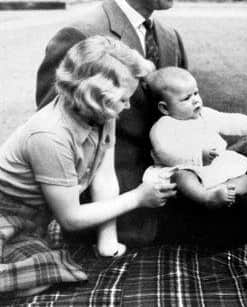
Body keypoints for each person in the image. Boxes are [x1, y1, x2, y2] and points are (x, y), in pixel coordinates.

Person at [35, 0, 188, 245]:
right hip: (109, 203)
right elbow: (54, 133)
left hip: (172, 181)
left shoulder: (170, 39)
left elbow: (186, 117)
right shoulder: (81, 35)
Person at [0, 36, 176, 297]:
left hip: (34, 222)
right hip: (7, 214)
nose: (128, 106)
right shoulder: (50, 135)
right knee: (41, 275)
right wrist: (139, 197)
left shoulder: (102, 111)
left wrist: (108, 241)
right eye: (124, 99)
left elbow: (103, 176)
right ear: (93, 97)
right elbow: (70, 219)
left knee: (47, 271)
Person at [144, 67, 247, 208]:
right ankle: (206, 197)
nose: (195, 101)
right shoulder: (164, 126)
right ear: (165, 108)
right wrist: (197, 156)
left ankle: (225, 191)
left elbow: (228, 120)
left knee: (246, 180)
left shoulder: (204, 114)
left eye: (196, 93)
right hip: (186, 167)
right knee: (182, 177)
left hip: (213, 166)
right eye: (186, 98)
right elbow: (164, 152)